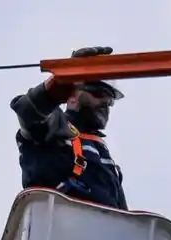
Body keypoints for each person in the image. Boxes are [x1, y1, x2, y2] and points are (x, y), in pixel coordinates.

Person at [10, 46, 129, 209]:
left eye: (110, 100)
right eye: (99, 93)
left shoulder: (107, 161)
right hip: (57, 228)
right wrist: (58, 84)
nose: (105, 103)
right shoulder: (57, 128)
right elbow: (29, 111)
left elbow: (124, 219)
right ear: (73, 95)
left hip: (100, 231)